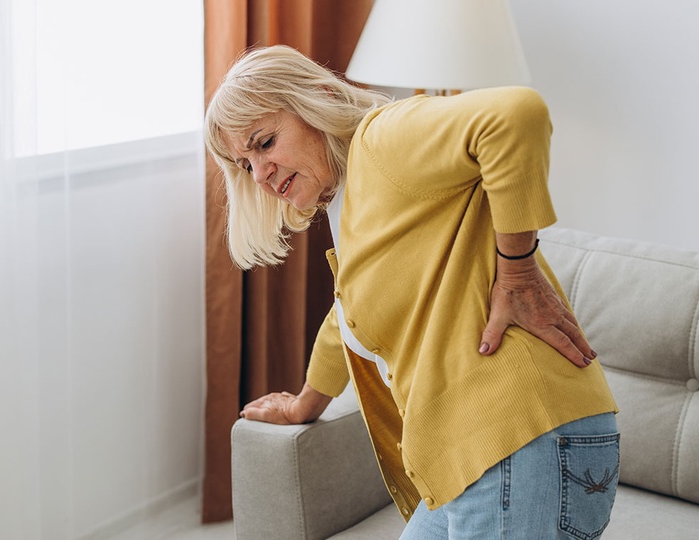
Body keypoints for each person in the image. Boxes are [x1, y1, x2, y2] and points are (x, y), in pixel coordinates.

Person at [205, 44, 620, 539]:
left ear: (315, 100)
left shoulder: (383, 140)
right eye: (245, 163)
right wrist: (304, 404)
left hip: (519, 435)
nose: (261, 174)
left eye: (266, 142)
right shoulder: (352, 199)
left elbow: (516, 115)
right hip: (475, 455)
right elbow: (349, 319)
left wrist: (518, 272)